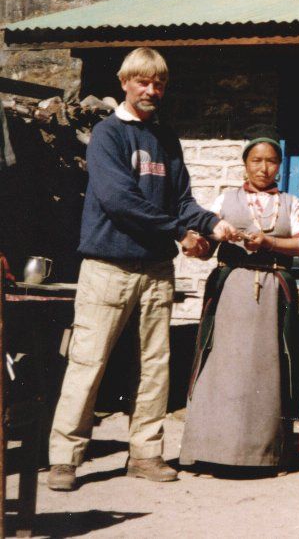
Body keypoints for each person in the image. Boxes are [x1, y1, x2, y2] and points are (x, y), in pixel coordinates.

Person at [47, 47, 236, 491]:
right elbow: (119, 201)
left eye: (159, 83)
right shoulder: (108, 136)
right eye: (143, 82)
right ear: (125, 82)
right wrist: (179, 232)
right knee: (88, 361)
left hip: (155, 269)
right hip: (107, 265)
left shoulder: (166, 140)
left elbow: (183, 201)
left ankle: (146, 453)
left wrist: (212, 224)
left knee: (155, 364)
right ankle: (64, 457)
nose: (151, 90)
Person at [179, 124, 299, 473]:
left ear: (279, 166)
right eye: (257, 160)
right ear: (245, 164)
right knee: (222, 364)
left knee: (268, 368)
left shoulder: (291, 203)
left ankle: (266, 454)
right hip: (232, 289)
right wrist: (196, 246)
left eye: (271, 162)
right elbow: (207, 242)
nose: (264, 168)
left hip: (272, 290)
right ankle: (210, 449)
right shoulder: (225, 199)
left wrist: (270, 244)